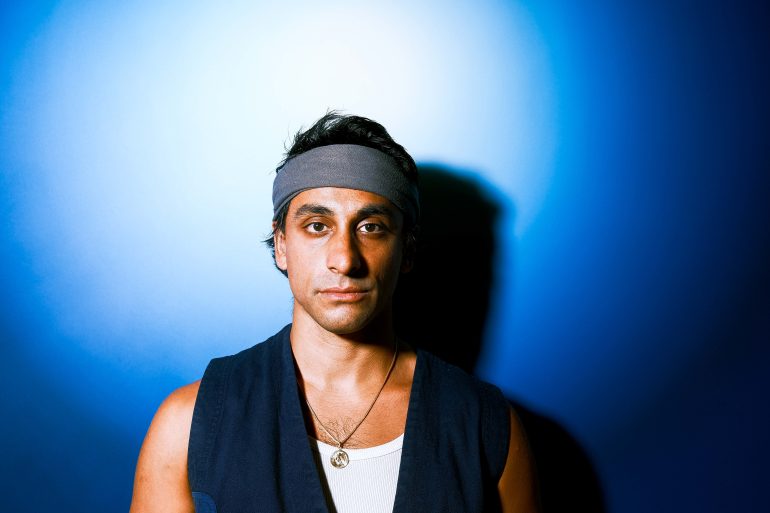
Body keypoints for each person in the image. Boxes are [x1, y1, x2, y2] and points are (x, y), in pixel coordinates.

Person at [129, 113, 539, 513]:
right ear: (282, 244)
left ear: (407, 250)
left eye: (371, 227)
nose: (344, 259)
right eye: (317, 226)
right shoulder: (189, 422)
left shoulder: (486, 425)